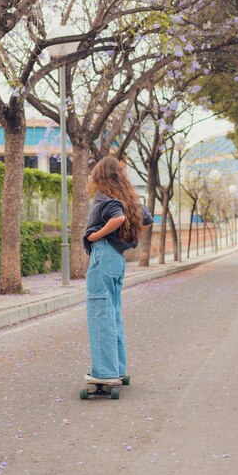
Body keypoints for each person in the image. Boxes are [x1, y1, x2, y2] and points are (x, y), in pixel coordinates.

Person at [83, 156, 153, 383]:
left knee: (100, 311)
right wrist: (127, 237)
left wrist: (95, 235)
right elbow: (147, 219)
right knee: (112, 312)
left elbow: (119, 218)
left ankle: (105, 372)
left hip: (103, 255)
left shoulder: (106, 197)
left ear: (99, 176)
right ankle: (117, 367)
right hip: (116, 259)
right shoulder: (127, 198)